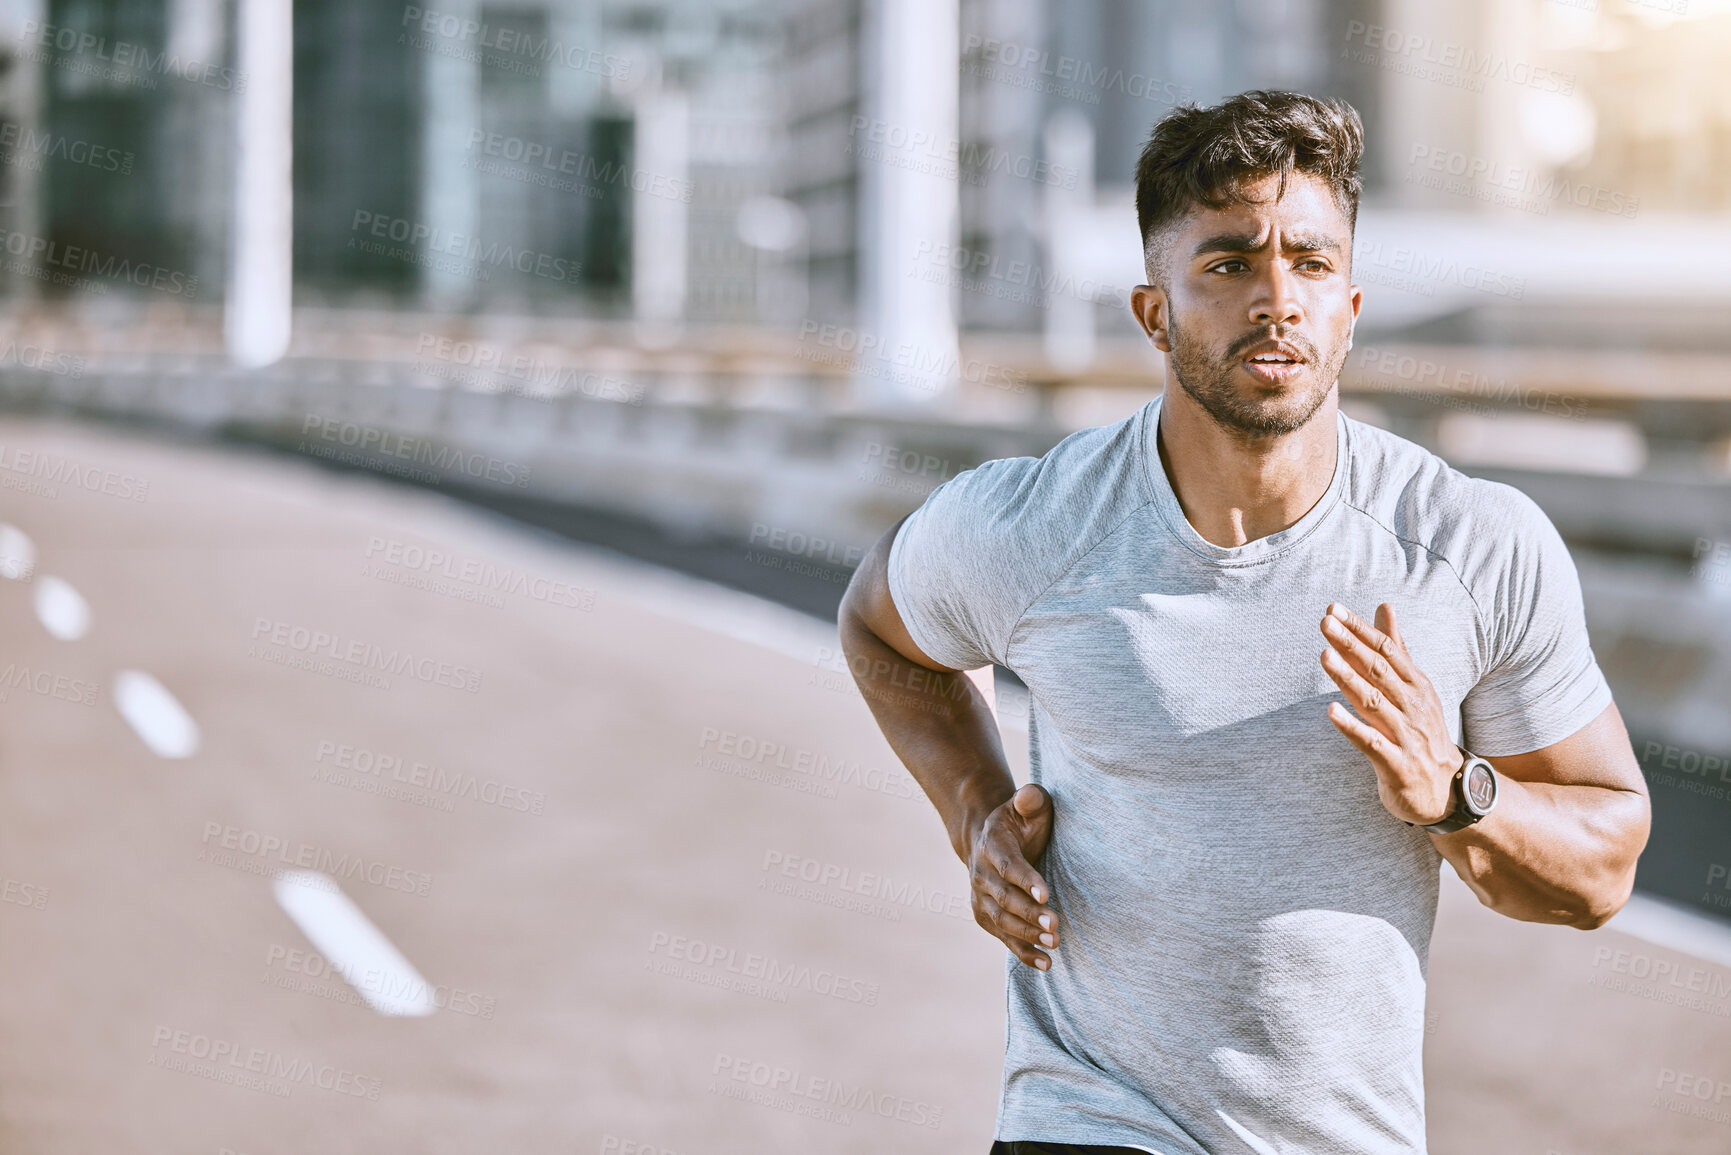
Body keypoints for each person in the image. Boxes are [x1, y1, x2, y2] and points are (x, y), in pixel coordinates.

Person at [836, 90, 1651, 1155]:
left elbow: (1602, 869)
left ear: (1350, 308)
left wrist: (1456, 794)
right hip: (1087, 1117)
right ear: (1155, 312)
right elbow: (879, 628)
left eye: (1311, 264)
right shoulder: (1036, 525)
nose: (1278, 298)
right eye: (1228, 263)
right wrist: (976, 810)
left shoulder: (1471, 546)